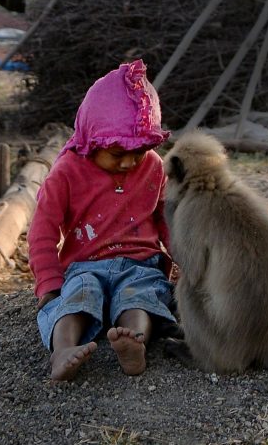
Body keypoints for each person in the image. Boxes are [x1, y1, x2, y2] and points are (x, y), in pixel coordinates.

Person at [28, 59, 174, 382]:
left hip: (140, 262)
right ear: (92, 138)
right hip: (86, 265)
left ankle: (135, 341)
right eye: (118, 152)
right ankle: (63, 349)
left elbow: (167, 221)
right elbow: (42, 231)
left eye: (138, 151)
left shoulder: (153, 167)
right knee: (77, 297)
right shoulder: (67, 172)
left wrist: (186, 261)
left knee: (142, 296)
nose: (129, 161)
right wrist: (49, 284)